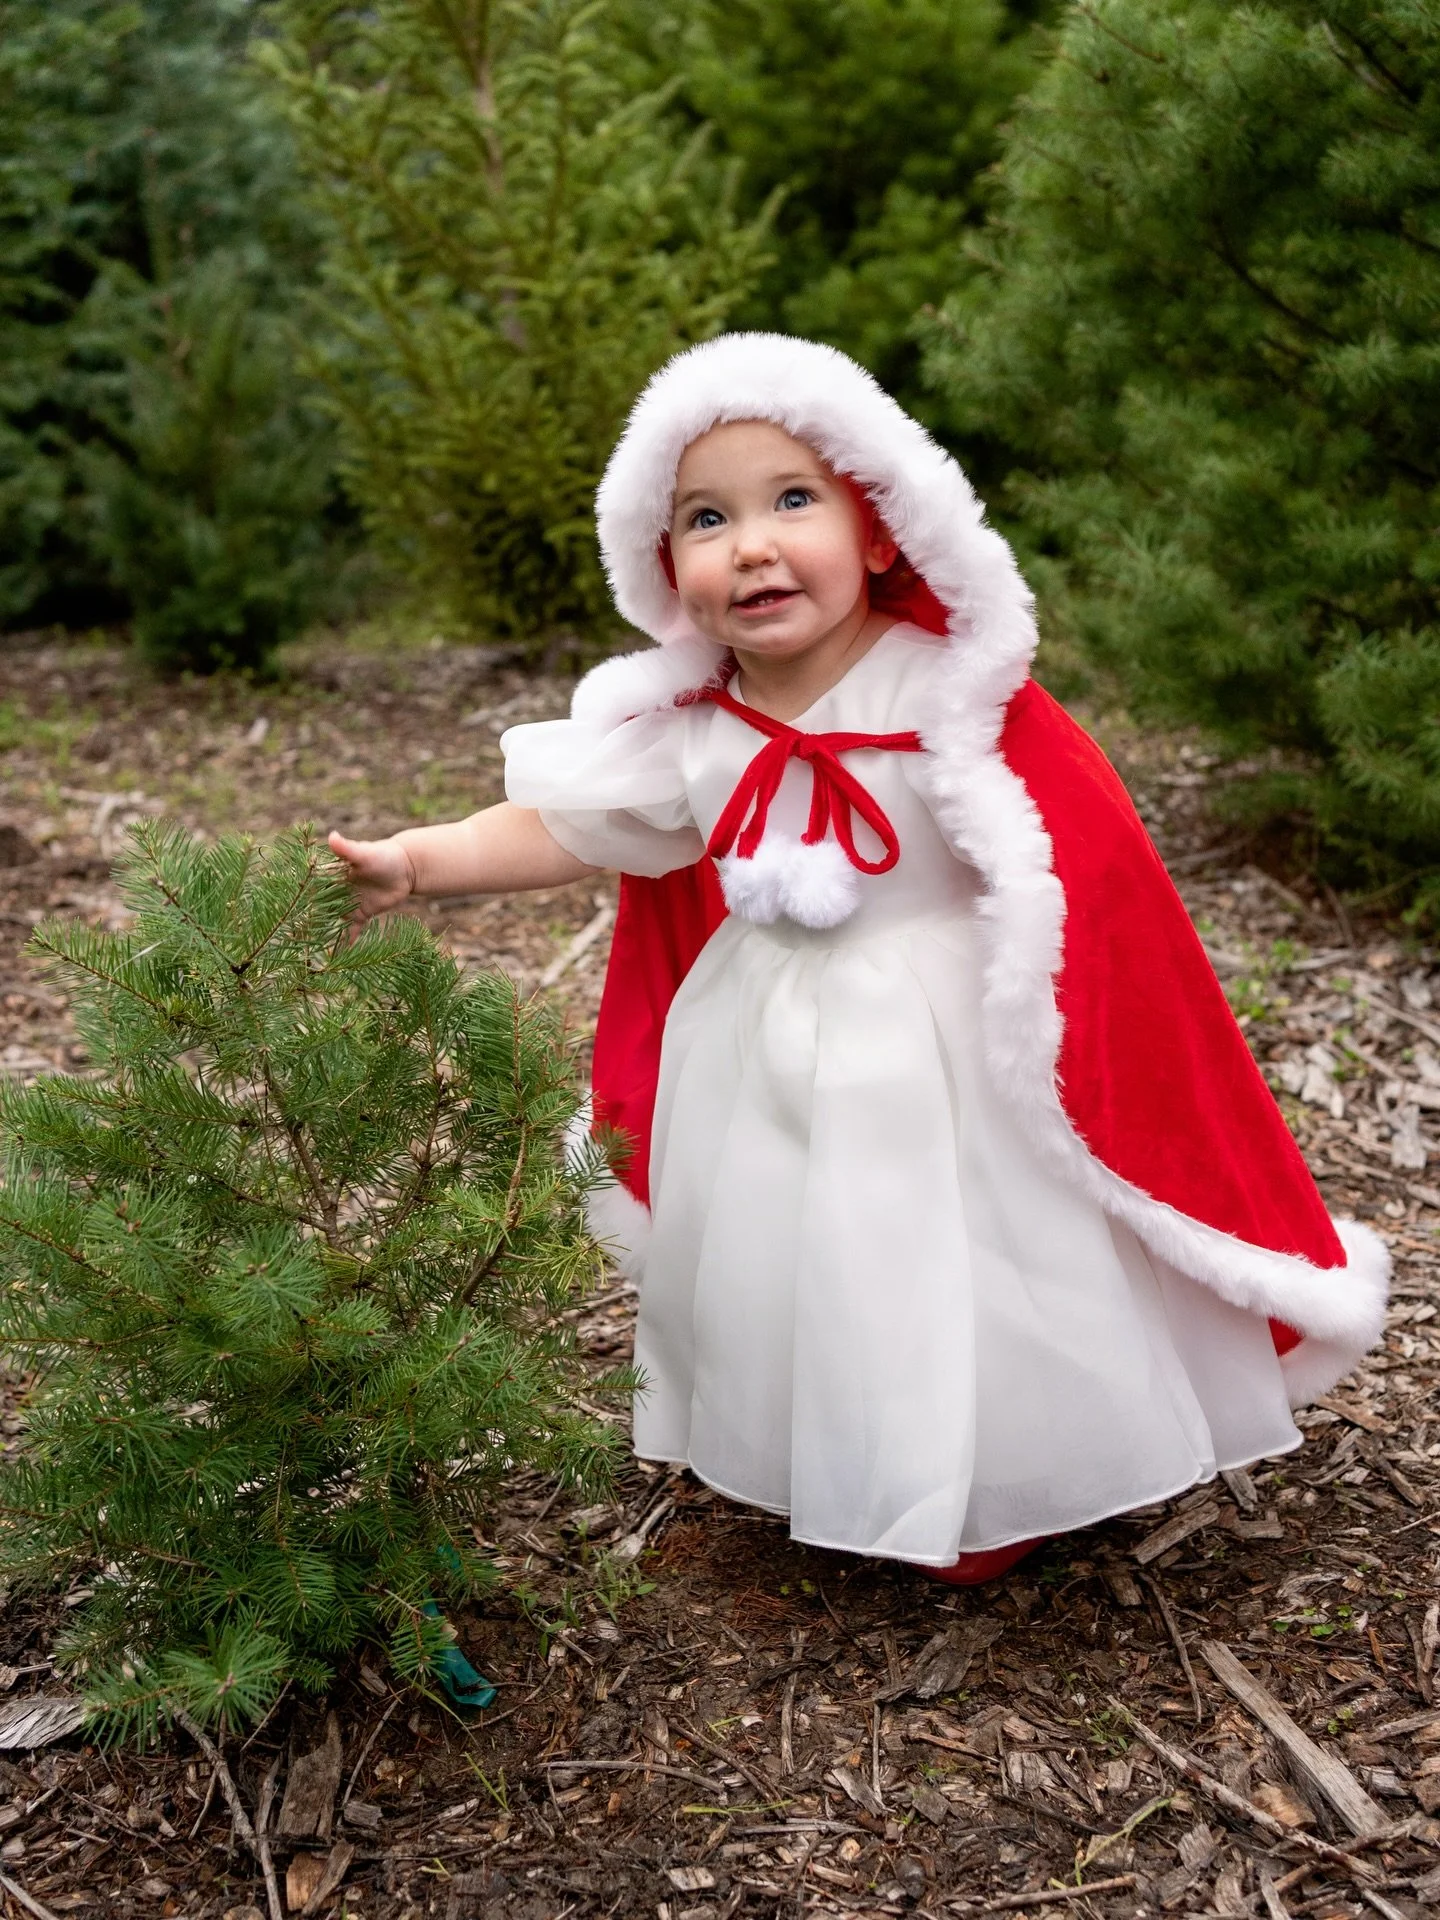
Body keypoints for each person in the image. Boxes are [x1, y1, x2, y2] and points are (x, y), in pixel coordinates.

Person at [331, 333, 1389, 1584]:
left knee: (981, 1256)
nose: (751, 545)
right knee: (811, 1256)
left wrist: (1051, 1000)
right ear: (664, 566)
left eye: (794, 500)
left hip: (952, 1042)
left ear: (881, 528)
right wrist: (419, 862)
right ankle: (852, 1455)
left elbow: (1078, 865)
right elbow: (566, 826)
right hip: (765, 1036)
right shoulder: (696, 728)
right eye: (706, 519)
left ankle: (1008, 1471)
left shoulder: (950, 695)